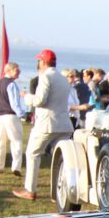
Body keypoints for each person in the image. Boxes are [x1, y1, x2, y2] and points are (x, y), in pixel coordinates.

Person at [13, 49, 72, 201]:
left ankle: (30, 189)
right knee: (62, 159)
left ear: (43, 62)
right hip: (64, 123)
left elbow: (40, 100)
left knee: (33, 153)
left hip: (47, 123)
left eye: (39, 61)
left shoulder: (46, 77)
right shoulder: (63, 78)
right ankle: (60, 192)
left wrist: (26, 97)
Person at [0, 62, 26, 175]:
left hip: (0, 116)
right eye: (16, 70)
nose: (18, 72)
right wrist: (22, 114)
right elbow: (14, 103)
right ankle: (16, 167)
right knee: (16, 141)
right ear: (9, 70)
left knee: (1, 142)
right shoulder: (11, 84)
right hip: (10, 116)